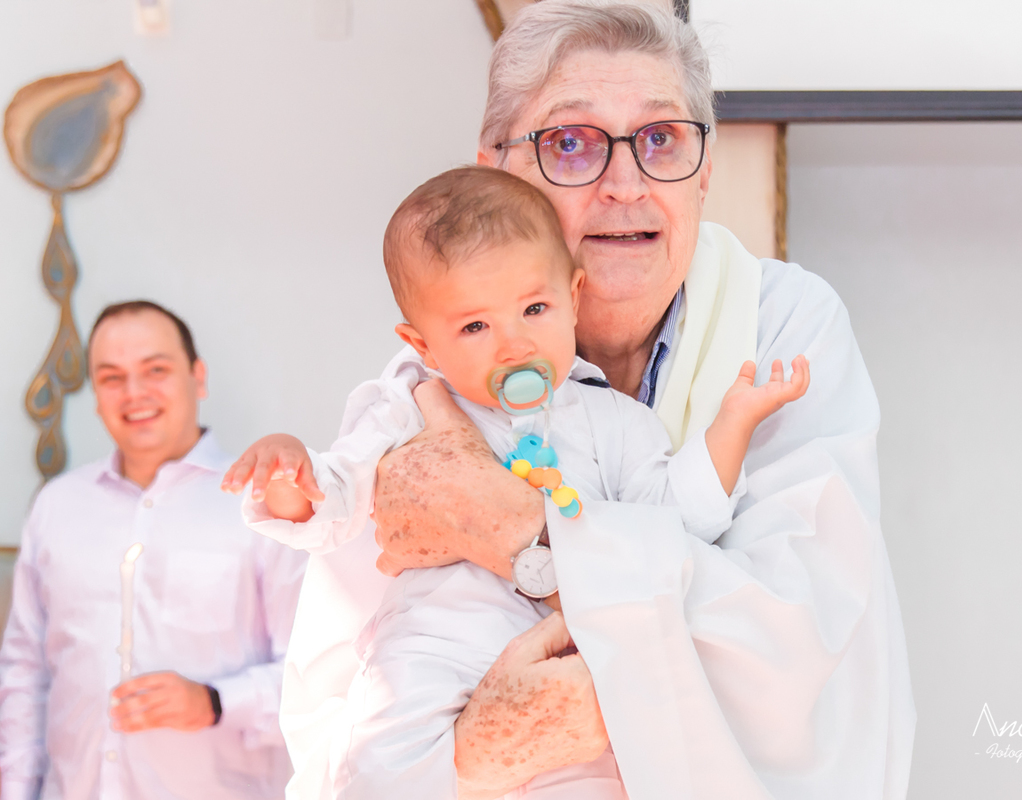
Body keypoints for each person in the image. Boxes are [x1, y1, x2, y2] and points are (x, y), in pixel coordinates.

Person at [279, 2, 917, 798]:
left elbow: (800, 641)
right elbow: (337, 684)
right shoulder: (444, 381)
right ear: (497, 171)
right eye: (572, 143)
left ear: (704, 169)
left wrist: (519, 534)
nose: (626, 184)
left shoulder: (780, 327)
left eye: (661, 140)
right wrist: (469, 757)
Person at [222, 165, 809, 798]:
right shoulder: (407, 405)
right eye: (475, 327)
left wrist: (733, 424)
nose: (514, 344)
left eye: (535, 308)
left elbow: (678, 520)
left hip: (565, 653)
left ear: (573, 295)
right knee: (375, 762)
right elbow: (340, 495)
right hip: (437, 641)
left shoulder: (615, 421)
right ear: (422, 342)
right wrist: (291, 474)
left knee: (604, 771)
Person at [0, 301, 309, 800]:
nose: (135, 393)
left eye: (156, 370)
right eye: (111, 377)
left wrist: (215, 702)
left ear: (198, 377)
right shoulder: (56, 506)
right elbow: (24, 673)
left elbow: (317, 676)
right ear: (96, 394)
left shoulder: (264, 504)